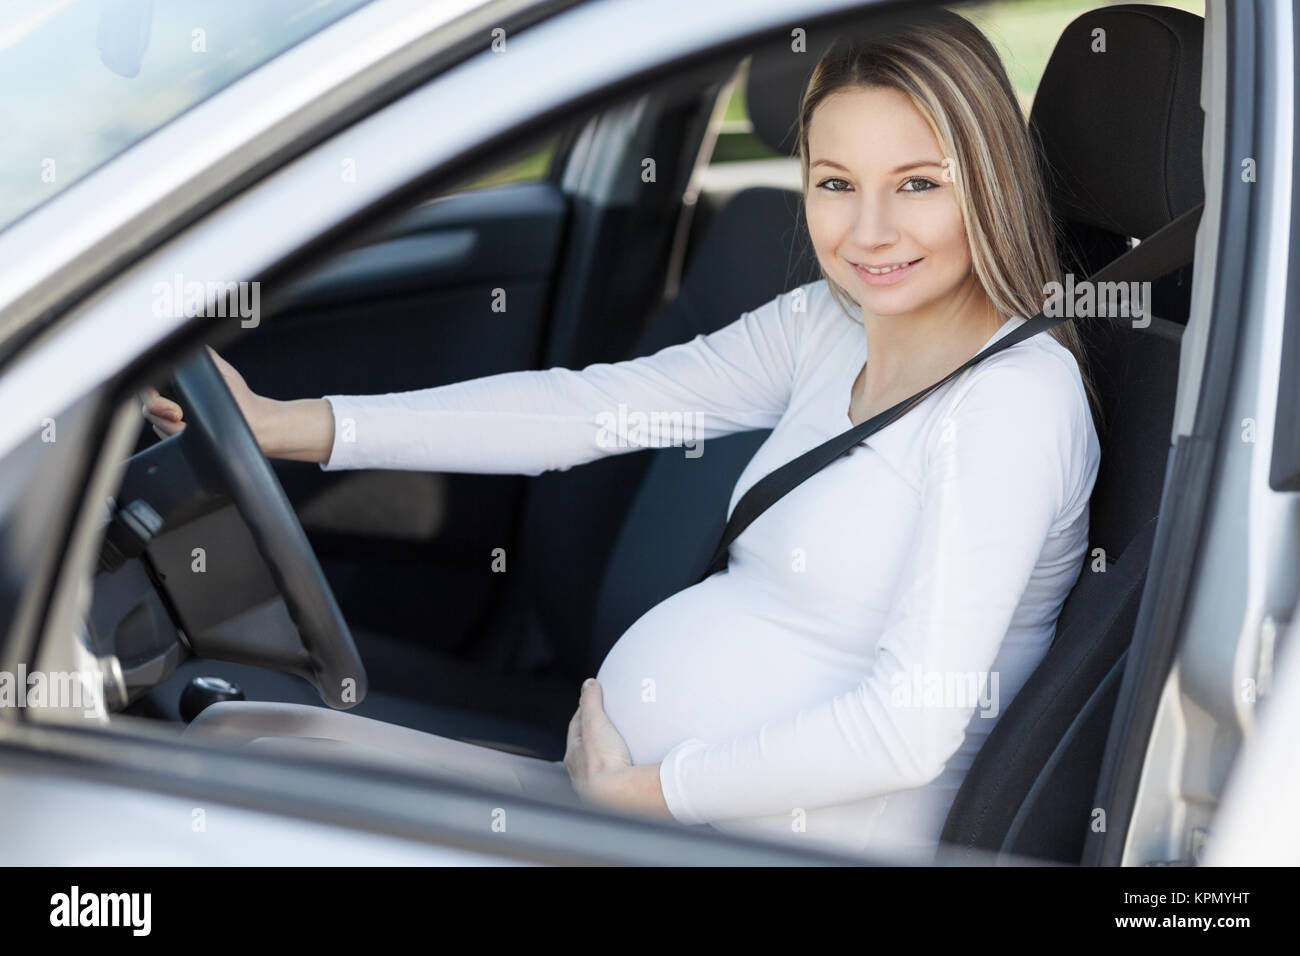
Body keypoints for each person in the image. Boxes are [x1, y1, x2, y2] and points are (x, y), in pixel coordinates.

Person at [142, 8, 1100, 862]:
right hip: (637, 806)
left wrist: (639, 795)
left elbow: (910, 727)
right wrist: (286, 426)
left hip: (753, 841)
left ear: (988, 180)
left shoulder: (1016, 400)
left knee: (219, 804)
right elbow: (590, 410)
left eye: (919, 183)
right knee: (243, 744)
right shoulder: (829, 323)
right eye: (837, 183)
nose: (871, 230)